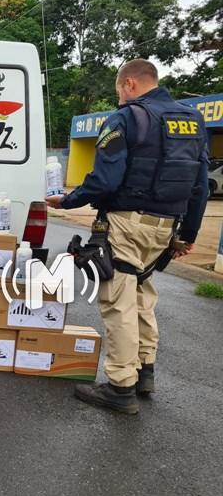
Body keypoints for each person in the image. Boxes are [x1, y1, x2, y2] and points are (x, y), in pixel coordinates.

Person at [46, 59, 209, 415]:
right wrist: (188, 234)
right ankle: (144, 371)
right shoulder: (192, 121)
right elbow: (201, 186)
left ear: (130, 83)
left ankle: (120, 386)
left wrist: (68, 201)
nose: (119, 97)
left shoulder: (126, 118)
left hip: (127, 224)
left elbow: (105, 181)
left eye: (119, 89)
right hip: (166, 227)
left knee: (118, 301)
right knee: (142, 295)